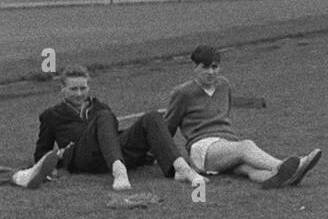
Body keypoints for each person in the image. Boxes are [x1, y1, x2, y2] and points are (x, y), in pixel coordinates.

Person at [13, 65, 205, 191]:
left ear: (88, 87)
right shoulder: (51, 115)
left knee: (152, 116)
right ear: (62, 89)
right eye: (73, 89)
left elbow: (111, 137)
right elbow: (41, 154)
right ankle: (119, 173)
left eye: (83, 88)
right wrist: (58, 158)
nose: (79, 93)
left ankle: (179, 168)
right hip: (82, 158)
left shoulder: (100, 106)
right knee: (104, 117)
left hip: (112, 153)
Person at [165, 45, 320, 189]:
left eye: (215, 67)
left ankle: (281, 179)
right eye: (205, 67)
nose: (211, 72)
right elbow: (166, 128)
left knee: (249, 169)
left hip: (227, 143)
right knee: (246, 146)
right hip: (203, 148)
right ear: (195, 68)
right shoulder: (182, 93)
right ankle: (287, 166)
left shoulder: (223, 85)